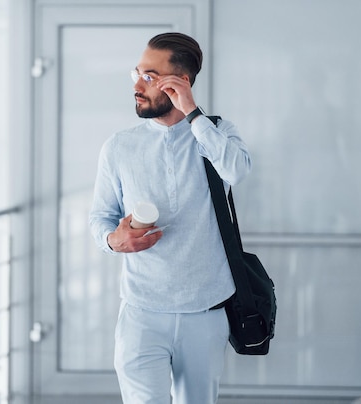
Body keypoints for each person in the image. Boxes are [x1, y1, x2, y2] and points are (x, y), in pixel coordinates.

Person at [89, 32, 252, 404]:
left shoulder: (217, 133)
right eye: (137, 73)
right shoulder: (119, 146)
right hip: (141, 311)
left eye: (150, 76)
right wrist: (116, 240)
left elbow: (238, 171)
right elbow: (100, 217)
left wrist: (194, 114)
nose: (136, 85)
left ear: (181, 82)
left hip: (205, 310)